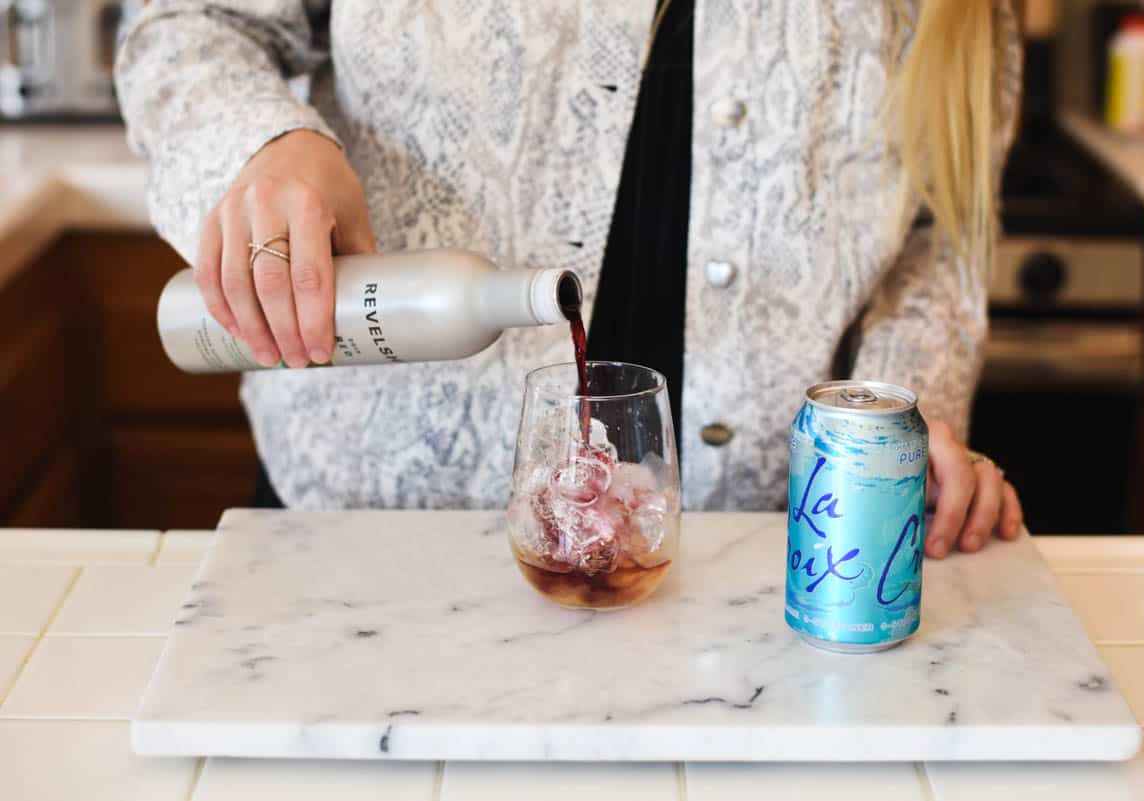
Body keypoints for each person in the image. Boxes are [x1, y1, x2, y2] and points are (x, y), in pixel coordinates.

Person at [116, 0, 1025, 558]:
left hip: (752, 574)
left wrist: (907, 410)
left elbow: (939, 231)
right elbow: (191, 21)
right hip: (370, 551)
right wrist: (265, 147)